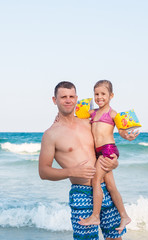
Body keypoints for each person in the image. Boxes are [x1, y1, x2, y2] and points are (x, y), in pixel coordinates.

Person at [39, 81, 126, 240]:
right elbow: (43, 172)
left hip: (105, 187)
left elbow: (105, 145)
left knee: (115, 237)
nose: (68, 100)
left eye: (71, 96)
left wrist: (115, 163)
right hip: (82, 192)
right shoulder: (51, 134)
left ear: (77, 99)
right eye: (63, 97)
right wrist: (71, 171)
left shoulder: (88, 122)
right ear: (54, 100)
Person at [78, 80, 139, 234]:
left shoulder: (113, 114)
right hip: (98, 152)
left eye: (103, 94)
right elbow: (77, 119)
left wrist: (128, 136)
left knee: (96, 181)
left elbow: (122, 131)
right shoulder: (92, 113)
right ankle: (124, 216)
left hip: (108, 150)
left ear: (111, 95)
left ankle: (95, 216)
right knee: (111, 186)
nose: (99, 97)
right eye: (96, 94)